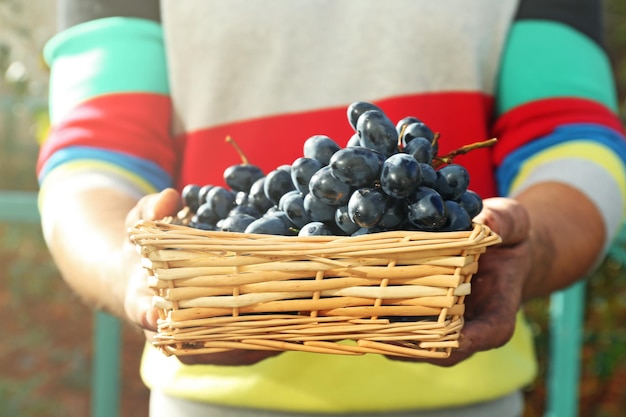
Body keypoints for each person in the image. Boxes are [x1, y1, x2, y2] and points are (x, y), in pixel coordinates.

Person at [37, 0, 626, 416]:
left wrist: (531, 246)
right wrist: (129, 268)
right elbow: (93, 156)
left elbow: (572, 142)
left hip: (463, 398)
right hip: (210, 399)